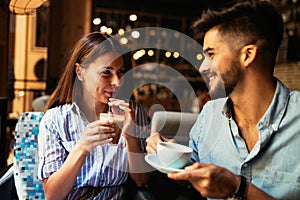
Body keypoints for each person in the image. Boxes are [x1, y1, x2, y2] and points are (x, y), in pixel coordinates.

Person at [146, 0, 300, 199]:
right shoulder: (209, 114)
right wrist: (168, 154)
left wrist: (238, 187)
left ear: (248, 55)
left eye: (211, 54)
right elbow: (191, 173)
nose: (202, 67)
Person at [38, 32, 152, 199]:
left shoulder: (133, 113)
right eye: (106, 72)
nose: (117, 82)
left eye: (121, 71)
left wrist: (129, 136)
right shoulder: (55, 119)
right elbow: (52, 195)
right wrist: (82, 147)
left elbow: (141, 181)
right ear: (80, 72)